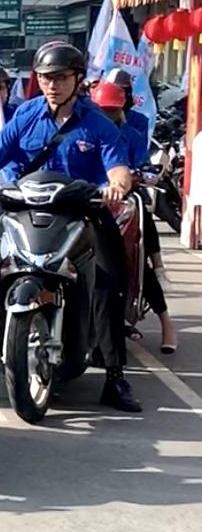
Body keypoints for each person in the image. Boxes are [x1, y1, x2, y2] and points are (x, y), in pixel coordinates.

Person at [0, 41, 139, 412]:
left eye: (61, 77)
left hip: (79, 213)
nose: (52, 84)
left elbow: (119, 171)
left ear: (78, 80)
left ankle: (115, 375)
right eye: (46, 78)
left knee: (109, 277)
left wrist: (115, 187)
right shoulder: (25, 116)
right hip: (23, 211)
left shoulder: (98, 123)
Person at [91, 78, 177, 355]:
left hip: (121, 201)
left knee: (133, 258)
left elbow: (138, 166)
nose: (106, 116)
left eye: (111, 111)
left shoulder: (132, 133)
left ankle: (165, 318)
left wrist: (133, 178)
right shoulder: (83, 131)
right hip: (88, 201)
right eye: (100, 111)